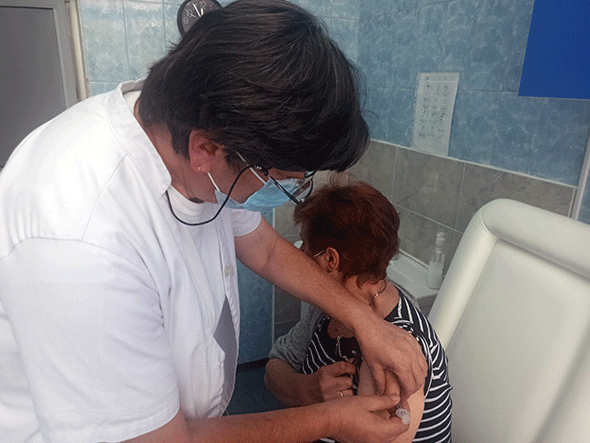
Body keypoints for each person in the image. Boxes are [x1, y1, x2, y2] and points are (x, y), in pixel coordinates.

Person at [0, 1, 427, 442]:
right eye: (276, 178)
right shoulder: (81, 241)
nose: (281, 190)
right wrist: (332, 419)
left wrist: (365, 321)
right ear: (205, 150)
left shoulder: (193, 138)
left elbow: (264, 249)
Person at [265, 181, 453, 443]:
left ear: (331, 259)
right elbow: (275, 367)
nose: (299, 253)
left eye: (305, 245)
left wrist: (320, 412)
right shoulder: (331, 305)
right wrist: (303, 389)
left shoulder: (395, 348)